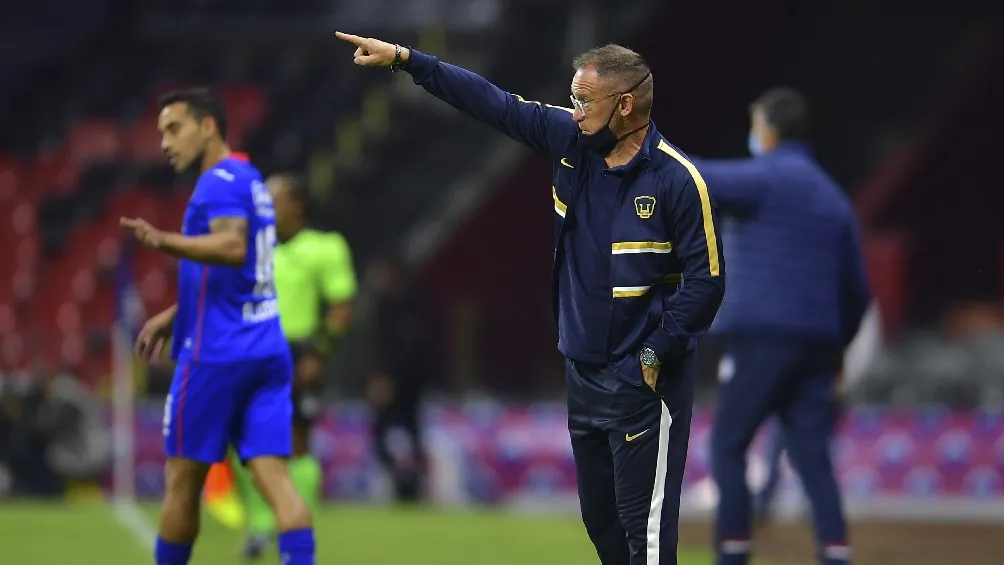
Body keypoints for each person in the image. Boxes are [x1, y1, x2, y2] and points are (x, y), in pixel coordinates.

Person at [335, 32, 725, 564]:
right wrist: (409, 61)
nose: (575, 111)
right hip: (582, 373)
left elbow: (707, 282)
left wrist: (655, 352)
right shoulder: (570, 140)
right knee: (601, 525)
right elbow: (493, 103)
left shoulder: (680, 181)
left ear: (625, 104)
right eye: (573, 99)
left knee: (647, 536)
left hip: (643, 382)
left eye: (585, 101)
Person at [121, 87, 315, 565]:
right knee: (275, 479)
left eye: (174, 129)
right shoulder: (250, 179)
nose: (165, 142)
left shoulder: (215, 183)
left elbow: (229, 249)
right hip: (266, 348)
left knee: (182, 482)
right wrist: (174, 315)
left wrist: (161, 238)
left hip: (218, 353)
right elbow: (242, 266)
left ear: (208, 126)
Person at [695, 87, 870, 565]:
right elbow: (857, 290)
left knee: (728, 445)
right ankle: (835, 554)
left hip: (762, 339)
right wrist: (838, 346)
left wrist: (639, 140)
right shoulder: (835, 199)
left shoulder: (766, 177)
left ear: (768, 130)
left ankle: (733, 554)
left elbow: (694, 177)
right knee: (814, 458)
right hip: (819, 345)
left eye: (754, 125)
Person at [233, 172, 358, 560]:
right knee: (245, 443)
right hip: (250, 352)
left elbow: (340, 306)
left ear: (298, 206)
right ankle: (261, 524)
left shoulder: (324, 247)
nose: (266, 206)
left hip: (295, 354)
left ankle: (300, 523)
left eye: (275, 199)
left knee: (297, 442)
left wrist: (318, 354)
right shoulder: (250, 246)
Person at [365, 256, 429, 503]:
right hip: (389, 382)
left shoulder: (409, 304)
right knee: (383, 434)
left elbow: (408, 349)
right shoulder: (381, 305)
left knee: (409, 432)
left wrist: (389, 380)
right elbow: (378, 347)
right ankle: (400, 481)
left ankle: (412, 486)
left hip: (406, 384)